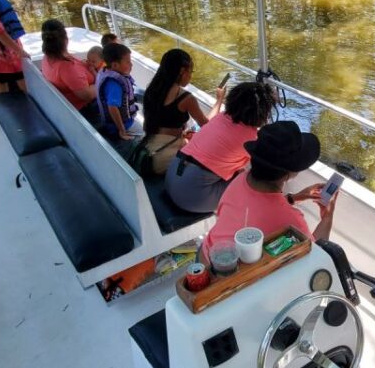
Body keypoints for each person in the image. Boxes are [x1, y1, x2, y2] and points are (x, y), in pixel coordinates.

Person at [200, 120, 336, 265]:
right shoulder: (291, 220)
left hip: (204, 254)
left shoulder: (240, 179)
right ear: (288, 174)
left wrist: (295, 198)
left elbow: (259, 206)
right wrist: (327, 217)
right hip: (225, 276)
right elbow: (317, 255)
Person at [165, 81, 275, 214]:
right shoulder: (251, 139)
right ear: (263, 112)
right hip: (191, 199)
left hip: (171, 179)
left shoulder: (220, 118)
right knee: (248, 177)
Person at [142, 48, 226, 175]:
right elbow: (206, 125)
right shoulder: (186, 98)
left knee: (192, 134)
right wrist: (219, 99)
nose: (191, 76)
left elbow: (164, 120)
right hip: (161, 158)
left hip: (148, 147)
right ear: (182, 71)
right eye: (191, 72)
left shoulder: (152, 89)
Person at [40, 19, 99, 125]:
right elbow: (87, 95)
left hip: (72, 106)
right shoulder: (65, 66)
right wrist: (101, 81)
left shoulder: (48, 57)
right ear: (65, 39)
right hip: (86, 110)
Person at [96, 42, 142, 157]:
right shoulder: (114, 84)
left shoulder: (104, 71)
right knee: (145, 134)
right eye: (128, 62)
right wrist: (122, 130)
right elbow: (112, 107)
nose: (131, 64)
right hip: (123, 125)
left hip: (118, 122)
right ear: (115, 65)